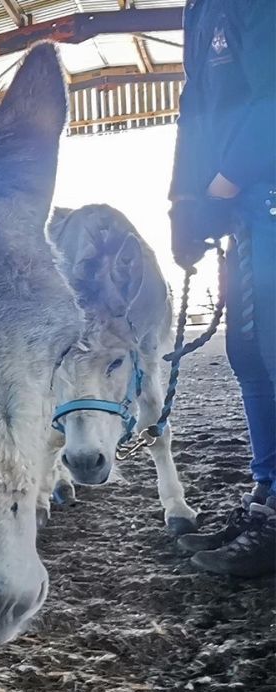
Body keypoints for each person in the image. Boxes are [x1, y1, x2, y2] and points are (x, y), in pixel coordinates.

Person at [168, 0, 275, 578]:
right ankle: (267, 500)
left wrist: (220, 186)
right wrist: (184, 202)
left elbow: (272, 98)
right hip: (243, 210)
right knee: (249, 355)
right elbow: (195, 107)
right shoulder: (200, 9)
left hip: (265, 195)